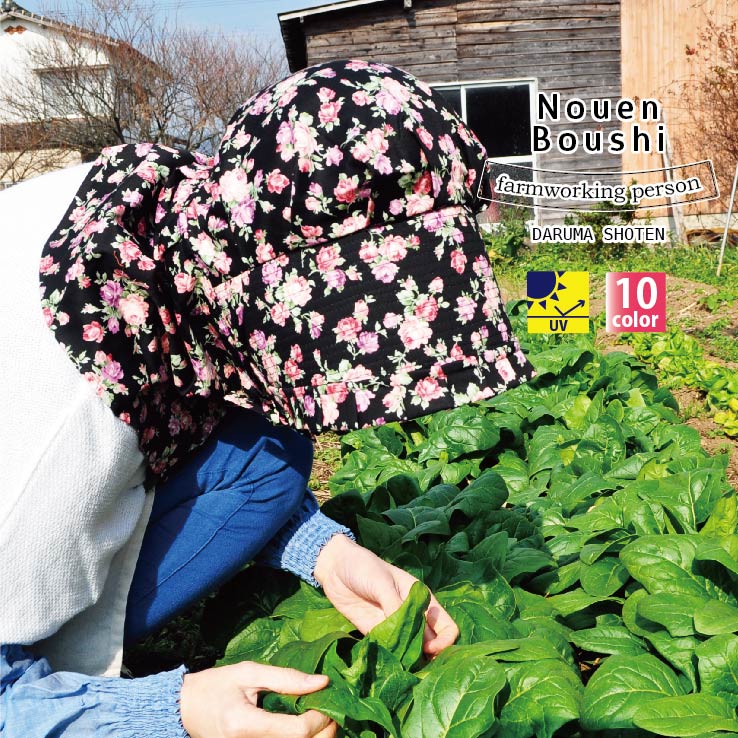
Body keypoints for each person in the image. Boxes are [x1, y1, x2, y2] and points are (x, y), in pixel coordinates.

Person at [0, 59, 535, 737]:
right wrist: (167, 711)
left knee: (269, 454)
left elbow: (220, 405)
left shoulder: (177, 211)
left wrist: (324, 551)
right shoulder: (64, 420)